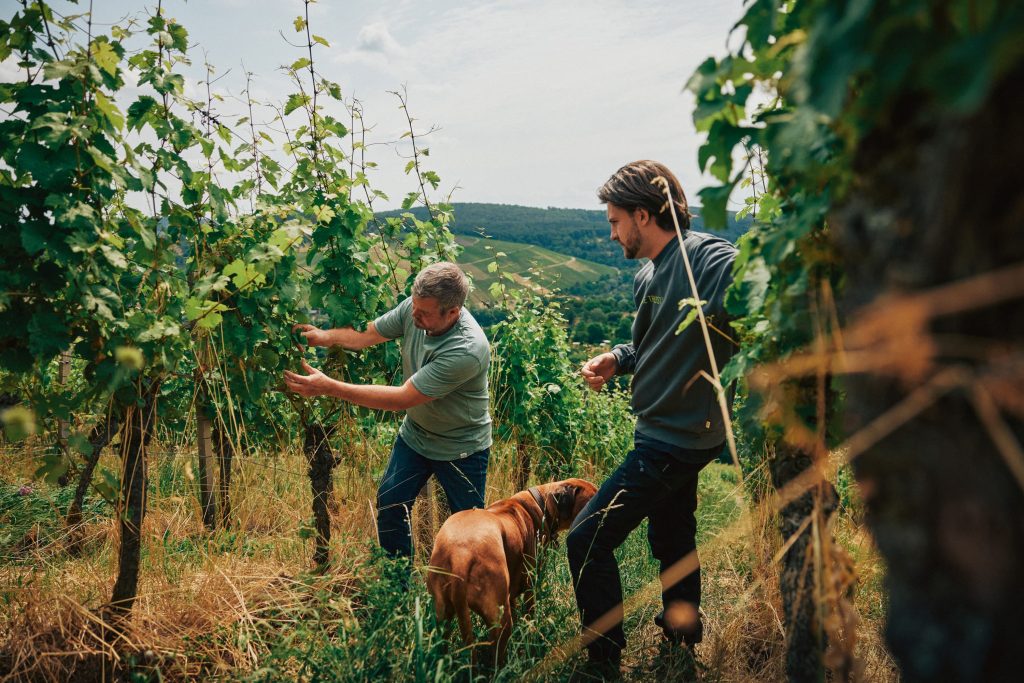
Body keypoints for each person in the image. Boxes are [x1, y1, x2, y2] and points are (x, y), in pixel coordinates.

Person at [567, 160, 738, 672]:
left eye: (616, 221)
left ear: (643, 214)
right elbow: (650, 346)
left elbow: (754, 286)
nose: (612, 233)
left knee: (586, 538)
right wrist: (617, 359)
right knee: (673, 536)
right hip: (666, 432)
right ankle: (682, 637)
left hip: (677, 437)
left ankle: (603, 662)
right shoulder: (648, 274)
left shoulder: (705, 258)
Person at [283, 262, 492, 568]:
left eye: (424, 313)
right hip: (417, 436)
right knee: (391, 502)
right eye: (414, 307)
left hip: (461, 448)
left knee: (469, 532)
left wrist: (328, 387)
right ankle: (398, 586)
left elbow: (402, 398)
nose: (414, 315)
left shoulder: (467, 350)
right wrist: (324, 336)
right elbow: (368, 334)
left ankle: (463, 600)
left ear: (453, 313)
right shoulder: (415, 307)